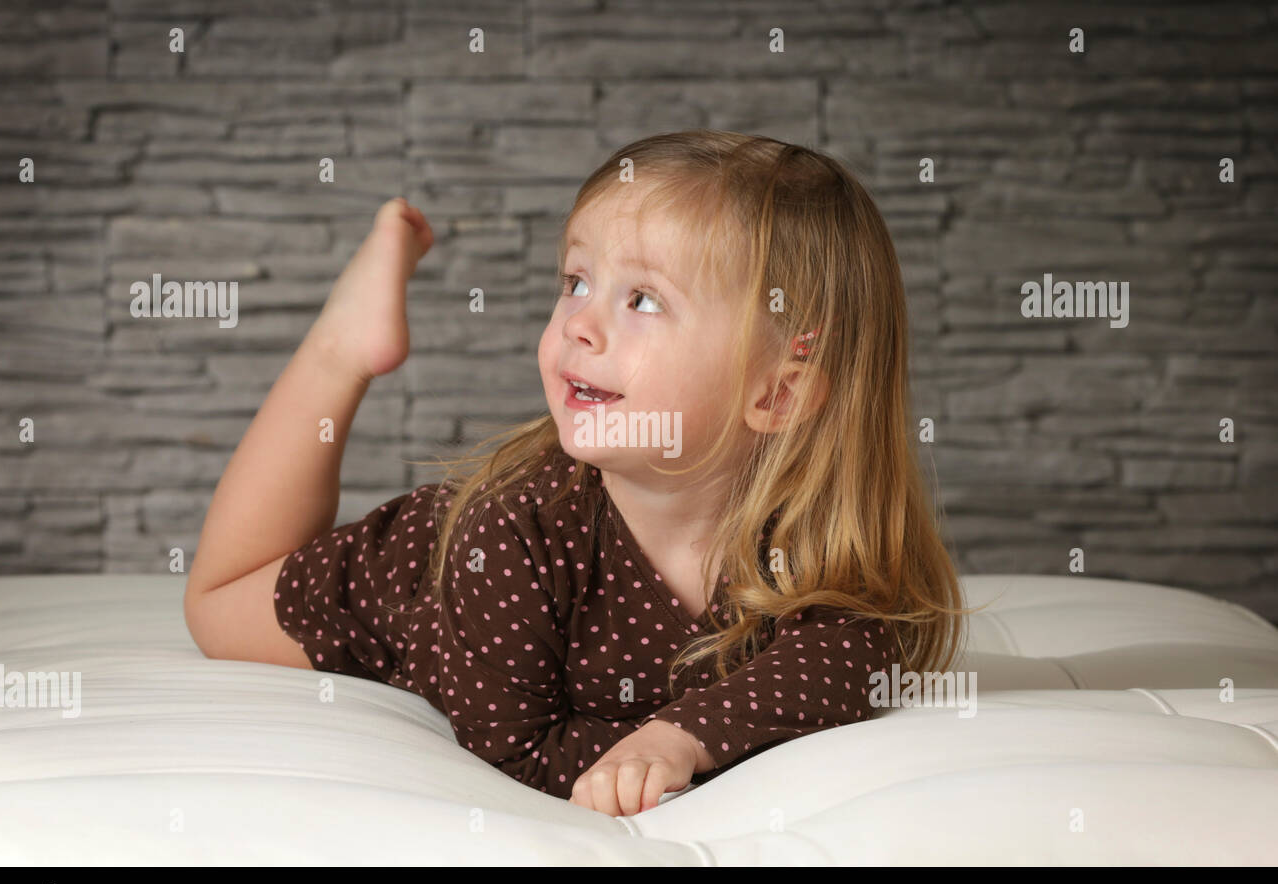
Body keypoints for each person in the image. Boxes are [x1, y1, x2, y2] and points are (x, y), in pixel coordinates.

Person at [184, 130, 970, 818]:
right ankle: (342, 345)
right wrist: (679, 753)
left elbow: (866, 645)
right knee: (216, 602)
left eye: (644, 301)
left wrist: (685, 734)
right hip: (408, 585)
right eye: (576, 282)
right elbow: (516, 755)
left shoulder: (800, 532)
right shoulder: (510, 529)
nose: (579, 326)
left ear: (777, 391)